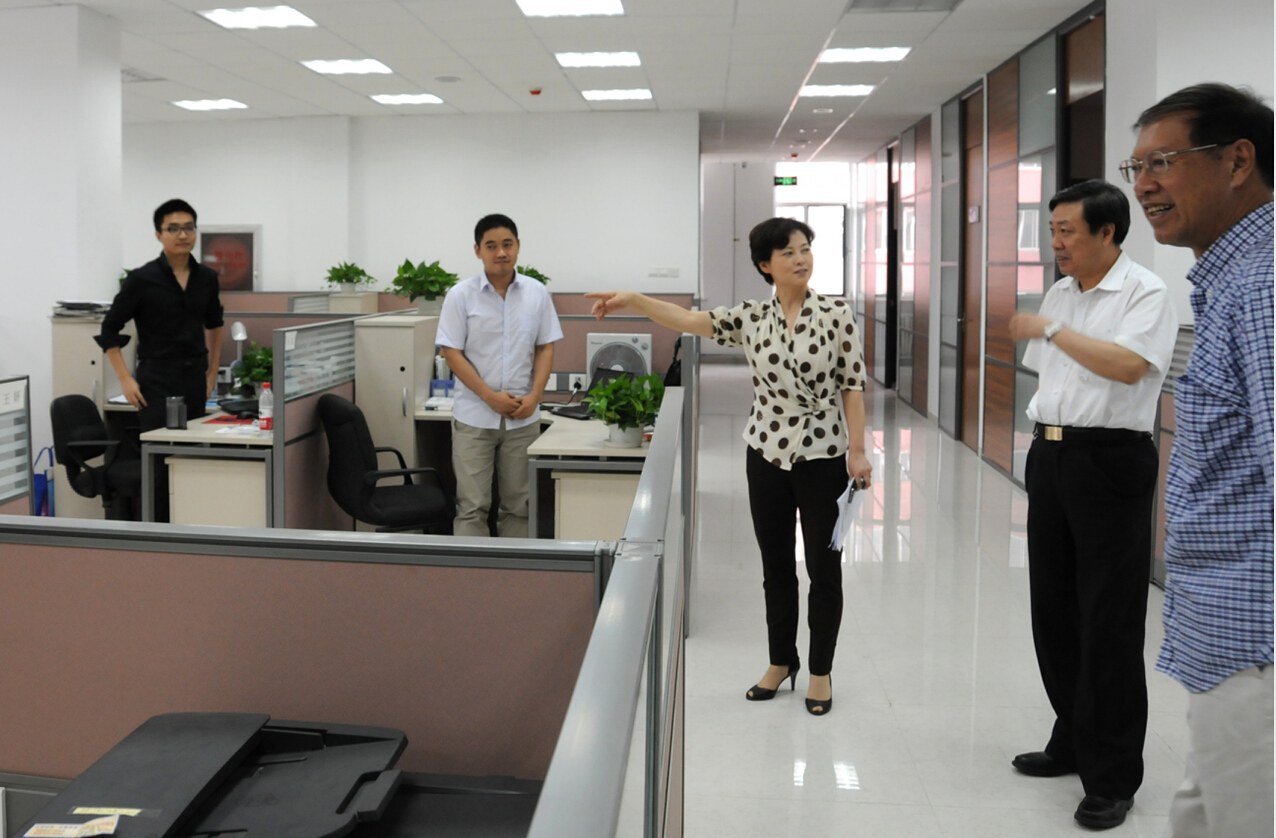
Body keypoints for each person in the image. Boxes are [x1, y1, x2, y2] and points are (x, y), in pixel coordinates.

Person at [588, 217, 872, 715]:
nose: (801, 259)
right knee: (776, 567)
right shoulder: (752, 318)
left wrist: (858, 450)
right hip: (766, 453)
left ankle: (820, 672)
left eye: (805, 249)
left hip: (823, 456)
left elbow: (852, 385)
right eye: (788, 253)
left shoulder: (836, 314)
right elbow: (687, 320)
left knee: (824, 571)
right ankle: (781, 661)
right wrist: (634, 299)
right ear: (765, 265)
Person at [1124, 83, 1273, 838]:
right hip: (1227, 633)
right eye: (1136, 167)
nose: (1144, 185)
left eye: (1163, 162)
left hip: (1259, 643)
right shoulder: (1232, 279)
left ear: (1238, 160)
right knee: (1204, 809)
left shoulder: (1264, 286)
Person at [1008, 180, 1178, 831]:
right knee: (1053, 608)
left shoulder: (1145, 292)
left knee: (1108, 618)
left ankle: (1112, 777)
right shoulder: (1062, 292)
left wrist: (1053, 328)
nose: (1056, 243)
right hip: (1052, 454)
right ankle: (1073, 739)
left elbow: (1129, 366)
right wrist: (1054, 325)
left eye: (1067, 231)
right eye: (1052, 230)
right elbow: (1050, 371)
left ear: (1108, 233)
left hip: (1111, 461)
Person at [97, 199, 224, 521]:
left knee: (191, 459)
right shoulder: (142, 279)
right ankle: (157, 533)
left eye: (189, 228)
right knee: (158, 465)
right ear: (159, 234)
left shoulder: (206, 278)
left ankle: (189, 529)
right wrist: (125, 379)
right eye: (173, 228)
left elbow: (215, 325)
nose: (182, 235)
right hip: (155, 381)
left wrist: (211, 373)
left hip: (194, 379)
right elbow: (109, 330)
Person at [437, 214, 562, 538]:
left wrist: (535, 397)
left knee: (520, 506)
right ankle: (472, 570)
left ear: (518, 246)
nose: (501, 252)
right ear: (478, 250)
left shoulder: (536, 293)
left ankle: (514, 569)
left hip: (523, 416)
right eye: (491, 246)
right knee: (472, 506)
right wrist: (490, 397)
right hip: (474, 417)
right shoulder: (460, 295)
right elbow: (452, 352)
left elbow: (545, 347)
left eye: (507, 244)